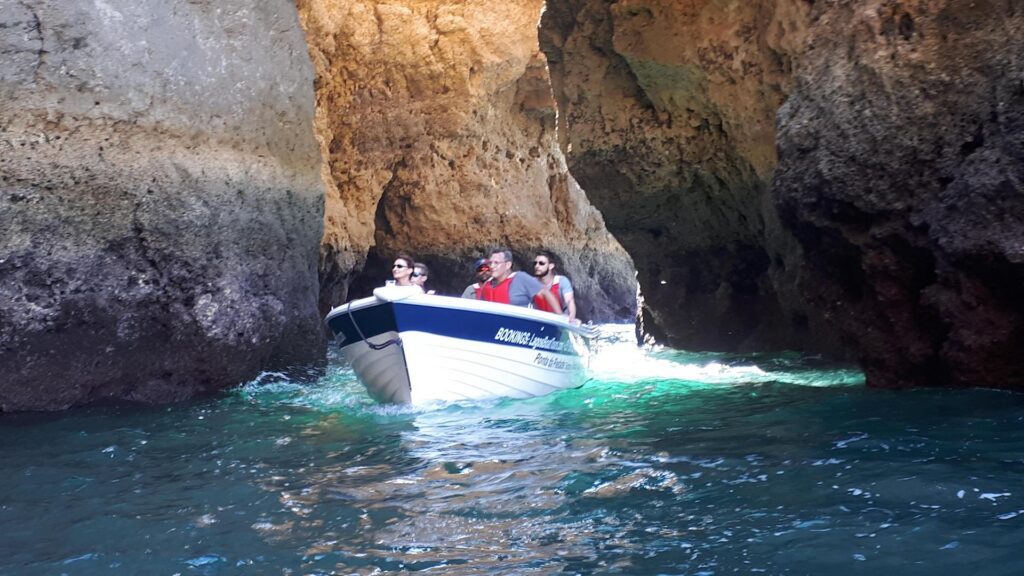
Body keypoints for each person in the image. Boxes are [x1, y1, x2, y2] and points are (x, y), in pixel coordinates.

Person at [479, 248, 563, 314]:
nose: (492, 266)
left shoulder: (521, 278)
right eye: (490, 263)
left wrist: (560, 316)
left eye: (496, 263)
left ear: (508, 265)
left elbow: (545, 292)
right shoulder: (487, 285)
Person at [531, 250, 577, 323]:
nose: (537, 266)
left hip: (560, 322)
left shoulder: (562, 281)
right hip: (539, 321)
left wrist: (572, 316)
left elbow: (569, 300)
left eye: (541, 263)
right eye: (535, 263)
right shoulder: (531, 283)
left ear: (551, 266)